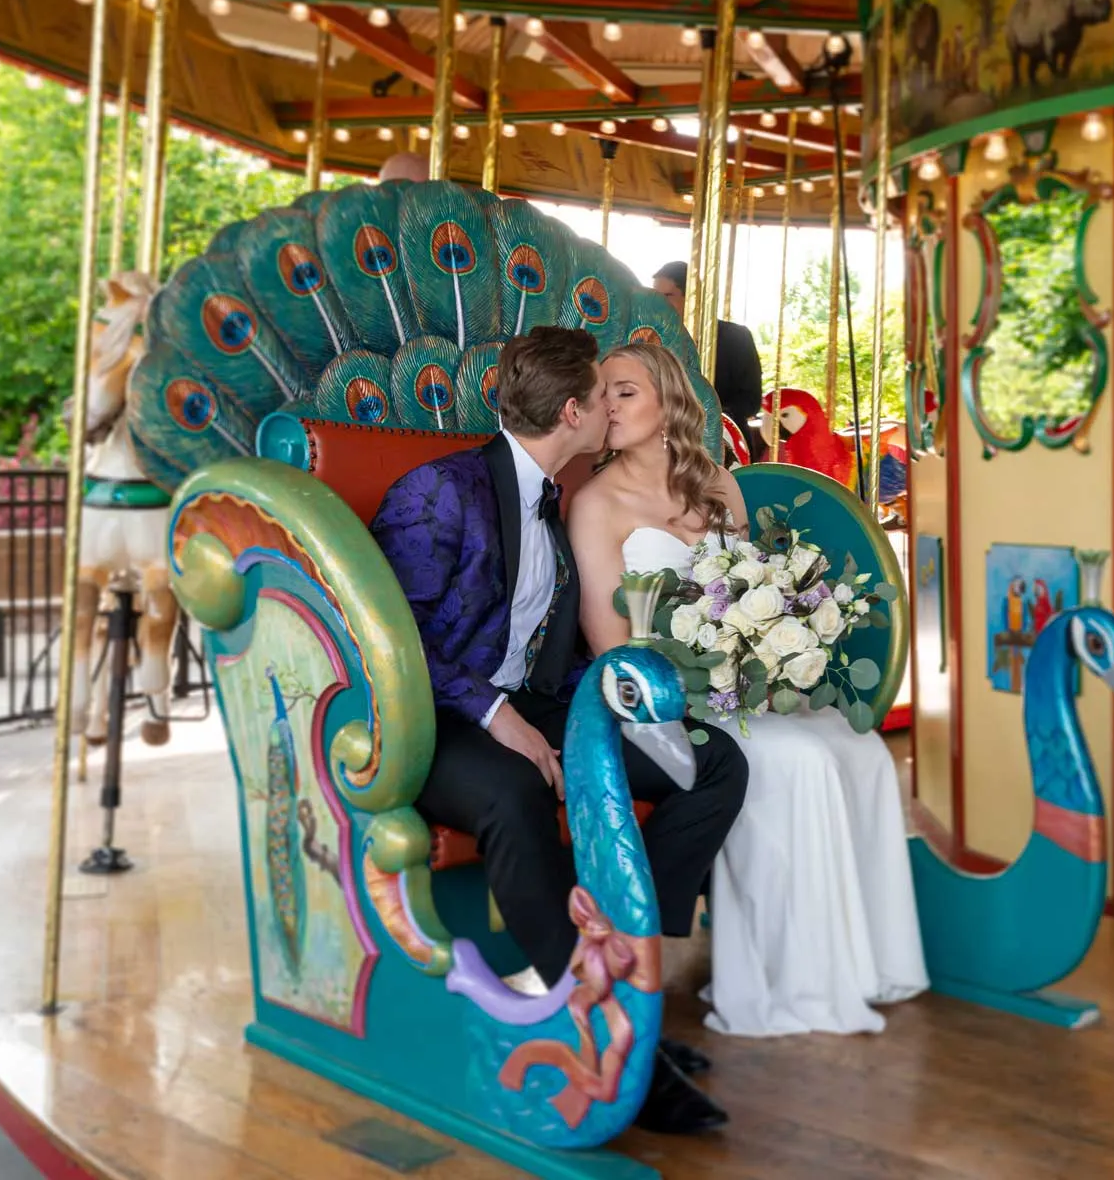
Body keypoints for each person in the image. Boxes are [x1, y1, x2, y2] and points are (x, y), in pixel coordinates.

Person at [369, 326, 745, 1135]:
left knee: (709, 762)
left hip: (533, 701)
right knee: (514, 792)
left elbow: (559, 645)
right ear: (573, 412)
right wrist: (495, 715)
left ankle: (630, 969)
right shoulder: (439, 490)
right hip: (432, 715)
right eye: (604, 397)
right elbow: (393, 641)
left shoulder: (561, 498)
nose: (613, 410)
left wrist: (623, 709)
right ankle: (595, 1025)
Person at [567, 340, 928, 1038]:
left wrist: (765, 653)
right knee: (801, 759)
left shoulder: (718, 485)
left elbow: (748, 592)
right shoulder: (595, 503)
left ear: (669, 401)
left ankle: (869, 964)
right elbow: (610, 647)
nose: (607, 404)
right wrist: (703, 674)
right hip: (660, 701)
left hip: (737, 688)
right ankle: (785, 979)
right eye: (600, 391)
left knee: (859, 751)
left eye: (625, 391)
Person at [651, 261, 765, 462]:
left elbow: (751, 400)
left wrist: (707, 413)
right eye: (655, 297)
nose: (659, 304)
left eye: (668, 296)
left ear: (692, 297)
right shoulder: (653, 341)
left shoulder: (735, 338)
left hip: (723, 442)